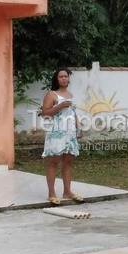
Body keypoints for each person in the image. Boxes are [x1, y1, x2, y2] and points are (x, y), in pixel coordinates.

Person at [41, 67, 83, 205]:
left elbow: (73, 113)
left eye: (66, 76)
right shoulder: (52, 94)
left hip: (70, 133)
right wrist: (60, 105)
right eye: (61, 76)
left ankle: (67, 191)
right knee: (54, 161)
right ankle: (51, 193)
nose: (64, 78)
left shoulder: (70, 94)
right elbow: (45, 113)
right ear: (56, 79)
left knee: (68, 161)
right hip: (56, 133)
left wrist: (79, 127)